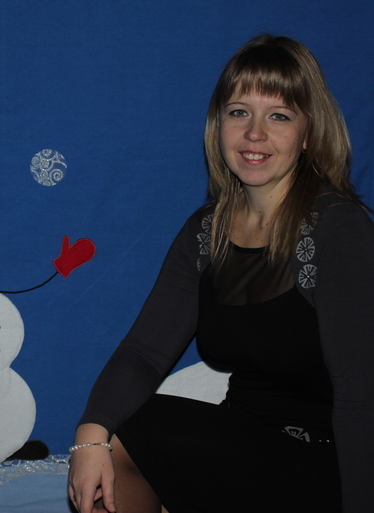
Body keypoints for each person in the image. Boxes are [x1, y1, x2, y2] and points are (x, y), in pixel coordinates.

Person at [68, 34, 374, 513]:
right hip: (243, 449)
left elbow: (362, 397)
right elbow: (143, 353)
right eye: (239, 112)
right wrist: (90, 436)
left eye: (279, 115)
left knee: (140, 429)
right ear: (218, 125)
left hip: (328, 466)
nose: (255, 133)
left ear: (309, 133)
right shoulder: (205, 231)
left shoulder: (340, 228)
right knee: (119, 425)